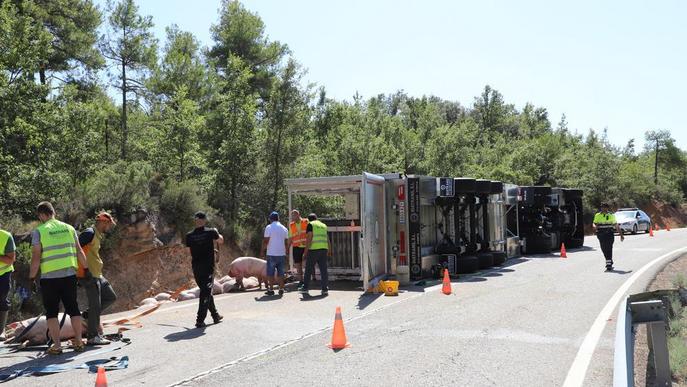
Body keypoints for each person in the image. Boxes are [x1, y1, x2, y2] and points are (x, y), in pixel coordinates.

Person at [29, 201, 89, 354]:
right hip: (69, 276)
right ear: (53, 212)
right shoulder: (69, 228)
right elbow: (79, 251)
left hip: (49, 279)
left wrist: (31, 277)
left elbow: (36, 257)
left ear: (42, 214)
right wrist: (86, 269)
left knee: (52, 312)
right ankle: (79, 342)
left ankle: (57, 346)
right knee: (73, 309)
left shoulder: (39, 231)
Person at [77, 212, 118, 345]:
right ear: (103, 222)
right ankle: (92, 337)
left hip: (97, 274)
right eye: (108, 224)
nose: (109, 227)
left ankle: (88, 315)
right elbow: (75, 250)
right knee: (95, 305)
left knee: (111, 297)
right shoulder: (89, 233)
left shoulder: (97, 235)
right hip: (89, 275)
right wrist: (81, 272)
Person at [185, 211, 224, 328]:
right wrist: (217, 232)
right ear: (204, 220)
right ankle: (200, 320)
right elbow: (221, 241)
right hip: (207, 268)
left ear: (195, 220)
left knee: (206, 291)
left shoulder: (189, 235)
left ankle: (215, 316)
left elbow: (189, 252)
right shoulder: (211, 232)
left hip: (196, 267)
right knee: (205, 293)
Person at [298, 213, 331, 296]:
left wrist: (305, 252)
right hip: (324, 249)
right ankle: (325, 289)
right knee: (323, 270)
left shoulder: (310, 225)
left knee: (308, 269)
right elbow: (327, 239)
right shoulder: (323, 225)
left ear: (309, 220)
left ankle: (305, 288)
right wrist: (329, 250)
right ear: (316, 218)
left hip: (314, 250)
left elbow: (309, 238)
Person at [260, 211, 288, 296]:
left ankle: (271, 289)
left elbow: (266, 241)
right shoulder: (284, 228)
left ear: (270, 219)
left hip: (271, 253)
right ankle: (281, 288)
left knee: (270, 272)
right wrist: (286, 251)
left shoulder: (269, 227)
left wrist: (262, 251)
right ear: (278, 219)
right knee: (281, 273)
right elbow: (286, 242)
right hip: (281, 254)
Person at [592, 202, 624, 271]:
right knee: (603, 248)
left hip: (609, 234)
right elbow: (594, 223)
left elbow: (616, 225)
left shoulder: (611, 215)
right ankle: (609, 260)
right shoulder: (597, 215)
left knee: (609, 248)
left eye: (604, 207)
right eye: (602, 207)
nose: (603, 208)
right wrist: (594, 227)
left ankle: (608, 263)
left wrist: (621, 235)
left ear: (607, 208)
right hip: (601, 234)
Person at [287, 210, 312, 286]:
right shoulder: (291, 225)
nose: (293, 218)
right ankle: (301, 281)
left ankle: (308, 280)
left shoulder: (306, 221)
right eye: (292, 216)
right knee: (298, 265)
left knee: (307, 264)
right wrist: (287, 248)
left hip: (305, 246)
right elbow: (290, 237)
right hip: (296, 247)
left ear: (298, 215)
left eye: (294, 216)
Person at [0, 227, 15, 341]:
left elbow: (10, 260)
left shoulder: (5, 236)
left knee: (2, 300)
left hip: (3, 273)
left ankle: (1, 331)